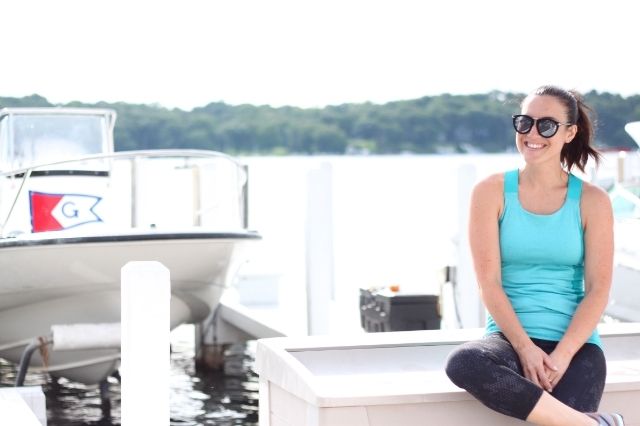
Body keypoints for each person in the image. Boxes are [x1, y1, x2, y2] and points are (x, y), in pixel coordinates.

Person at [445, 85, 625, 426]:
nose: (532, 133)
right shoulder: (490, 192)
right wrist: (525, 348)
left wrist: (562, 355)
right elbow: (489, 284)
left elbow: (598, 290)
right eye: (525, 122)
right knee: (464, 363)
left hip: (576, 347)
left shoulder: (593, 201)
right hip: (508, 341)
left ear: (569, 133)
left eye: (547, 125)